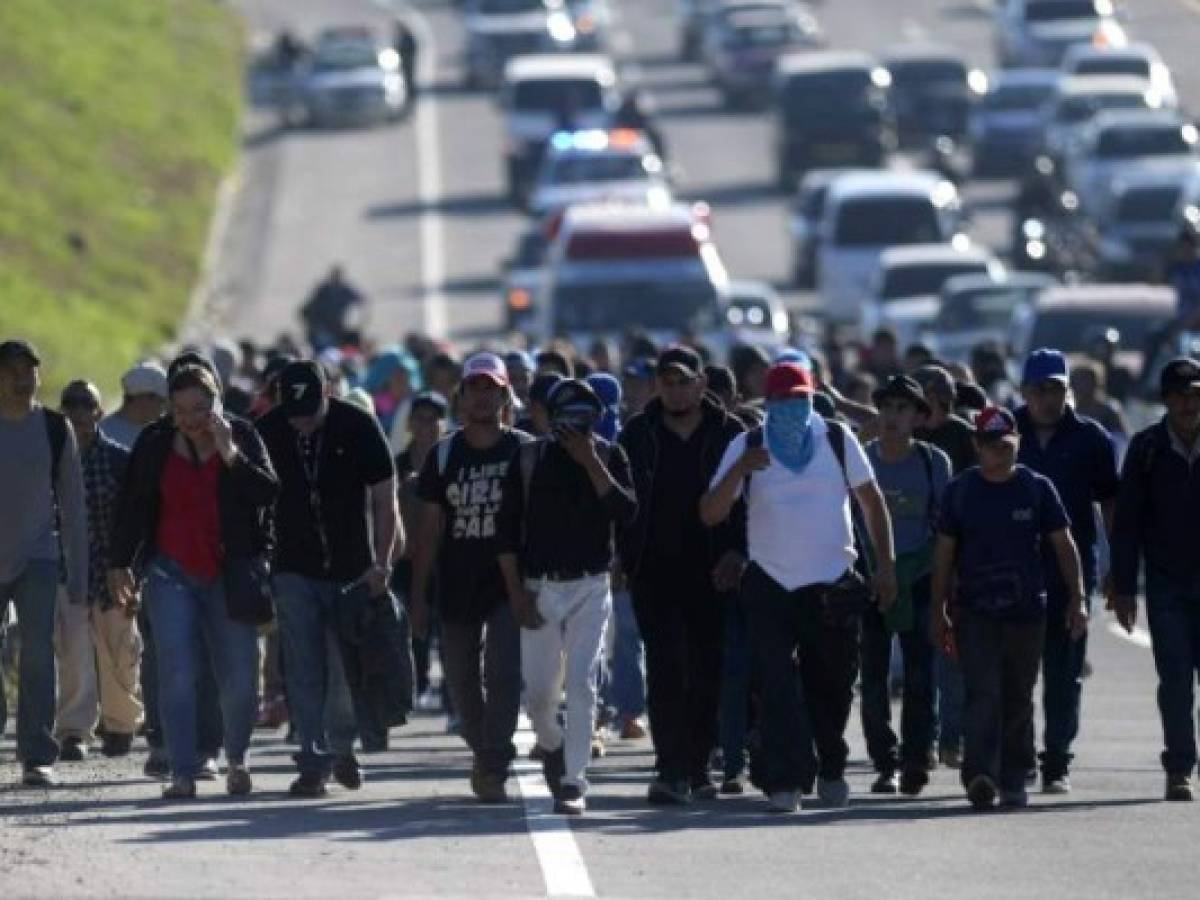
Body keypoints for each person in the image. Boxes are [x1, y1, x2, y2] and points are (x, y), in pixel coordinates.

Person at [701, 362, 897, 813]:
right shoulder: (747, 443)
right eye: (783, 401)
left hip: (832, 583)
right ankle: (784, 781)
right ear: (767, 405)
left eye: (801, 399)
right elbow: (710, 512)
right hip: (770, 581)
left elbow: (872, 502)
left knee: (830, 684)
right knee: (774, 685)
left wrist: (885, 567)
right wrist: (741, 471)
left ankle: (830, 765)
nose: (793, 409)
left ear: (812, 398)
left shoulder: (836, 439)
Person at [109, 364, 279, 799]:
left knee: (239, 677)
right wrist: (119, 563)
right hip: (170, 573)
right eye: (180, 409)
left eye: (200, 408)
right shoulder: (155, 442)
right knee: (178, 672)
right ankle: (182, 771)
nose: (190, 419)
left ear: (218, 401)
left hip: (230, 573)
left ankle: (237, 759)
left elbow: (268, 494)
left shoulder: (241, 435)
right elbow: (132, 505)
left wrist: (231, 455)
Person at [257, 361, 402, 797]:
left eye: (310, 409)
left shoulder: (358, 425)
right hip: (291, 567)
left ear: (328, 392)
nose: (301, 421)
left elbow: (384, 498)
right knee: (302, 667)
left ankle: (341, 747)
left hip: (350, 568)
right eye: (293, 411)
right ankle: (312, 760)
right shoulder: (267, 431)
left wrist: (382, 562)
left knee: (341, 666)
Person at [932, 407, 1088, 811]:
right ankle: (980, 774)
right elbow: (944, 554)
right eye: (990, 446)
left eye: (1006, 445)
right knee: (982, 693)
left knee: (1018, 695)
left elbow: (1064, 544)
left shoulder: (1037, 488)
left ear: (1016, 442)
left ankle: (1015, 774)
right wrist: (938, 610)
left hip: (1026, 613)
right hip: (976, 612)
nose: (999, 453)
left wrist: (1078, 598)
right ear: (976, 446)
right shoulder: (960, 491)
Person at [497, 379, 637, 815]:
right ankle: (553, 745)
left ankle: (574, 781)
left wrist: (592, 463)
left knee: (581, 684)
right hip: (540, 587)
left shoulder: (611, 456)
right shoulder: (527, 459)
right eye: (567, 419)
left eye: (585, 419)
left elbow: (628, 512)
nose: (575, 428)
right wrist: (516, 593)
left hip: (591, 586)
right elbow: (504, 535)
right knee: (539, 696)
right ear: (549, 419)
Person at [618, 346, 745, 804]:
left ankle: (698, 765)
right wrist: (623, 557)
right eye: (666, 382)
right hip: (653, 569)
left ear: (701, 384)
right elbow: (623, 502)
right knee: (666, 668)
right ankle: (670, 767)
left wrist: (738, 552)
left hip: (714, 571)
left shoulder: (731, 433)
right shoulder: (638, 432)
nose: (674, 390)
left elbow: (752, 503)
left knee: (707, 670)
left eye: (683, 381)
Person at [411, 353, 529, 803]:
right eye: (474, 389)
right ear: (460, 398)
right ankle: (485, 751)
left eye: (491, 389)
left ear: (504, 397)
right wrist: (419, 599)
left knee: (503, 672)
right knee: (461, 680)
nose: (482, 398)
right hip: (457, 581)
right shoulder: (444, 454)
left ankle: (494, 761)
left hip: (508, 582)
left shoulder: (523, 449)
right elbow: (429, 530)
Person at [1016, 350, 1120, 794]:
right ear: (1025, 391)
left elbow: (1110, 502)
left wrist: (1117, 564)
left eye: (1056, 388)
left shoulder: (1090, 437)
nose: (1048, 397)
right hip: (1012, 573)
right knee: (1015, 675)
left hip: (1069, 574)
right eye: (1040, 388)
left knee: (1064, 673)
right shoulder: (1005, 431)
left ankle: (1056, 759)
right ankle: (1018, 759)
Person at [1110, 358, 1200, 802]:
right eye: (1182, 395)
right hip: (1166, 584)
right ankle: (1180, 766)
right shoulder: (1146, 449)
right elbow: (1127, 524)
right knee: (1177, 679)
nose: (1190, 403)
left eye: (1196, 394)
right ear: (1166, 399)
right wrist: (1123, 588)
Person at [0, 340, 88, 787]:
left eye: (29, 370)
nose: (21, 377)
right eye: (11, 369)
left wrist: (79, 573)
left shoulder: (55, 428)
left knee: (37, 653)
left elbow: (72, 503)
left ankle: (37, 754)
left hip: (39, 554)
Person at [861, 376, 951, 796]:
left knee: (920, 675)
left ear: (919, 417)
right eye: (886, 408)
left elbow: (943, 529)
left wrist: (937, 587)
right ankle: (885, 761)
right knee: (874, 678)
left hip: (918, 579)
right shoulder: (862, 460)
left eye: (902, 409)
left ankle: (917, 757)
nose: (892, 417)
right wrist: (880, 570)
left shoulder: (935, 463)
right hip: (870, 579)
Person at [59, 380, 142, 760]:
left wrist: (129, 566)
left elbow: (137, 517)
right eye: (71, 405)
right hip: (69, 569)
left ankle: (121, 725)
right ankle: (75, 731)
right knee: (73, 651)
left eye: (86, 405)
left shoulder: (120, 460)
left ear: (99, 412)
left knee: (120, 650)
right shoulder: (54, 461)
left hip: (114, 568)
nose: (79, 412)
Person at [913, 364, 975, 768]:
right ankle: (924, 741)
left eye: (942, 400)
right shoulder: (905, 436)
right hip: (913, 559)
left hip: (957, 556)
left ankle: (951, 739)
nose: (936, 407)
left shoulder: (963, 437)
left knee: (951, 655)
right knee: (919, 659)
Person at [395, 392, 449, 710]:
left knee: (445, 626)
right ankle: (417, 683)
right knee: (410, 628)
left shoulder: (450, 459)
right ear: (410, 423)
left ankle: (449, 694)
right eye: (420, 418)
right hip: (406, 560)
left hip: (444, 560)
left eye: (433, 418)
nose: (426, 425)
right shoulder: (398, 464)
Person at [100, 362, 168, 450]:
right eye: (161, 401)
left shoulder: (161, 433)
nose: (163, 408)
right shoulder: (103, 433)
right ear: (142, 398)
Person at [300, 266, 365, 350]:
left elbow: (360, 301)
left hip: (335, 328)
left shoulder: (343, 289)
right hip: (325, 328)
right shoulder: (324, 290)